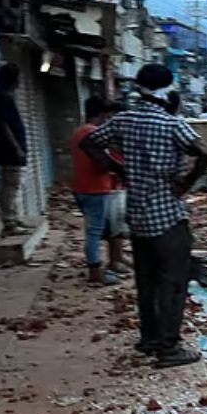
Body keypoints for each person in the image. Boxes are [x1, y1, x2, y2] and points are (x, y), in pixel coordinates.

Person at [80, 64, 207, 369]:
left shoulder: (123, 120)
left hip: (136, 214)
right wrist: (186, 182)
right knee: (173, 281)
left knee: (147, 281)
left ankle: (149, 338)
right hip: (167, 214)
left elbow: (89, 143)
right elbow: (204, 153)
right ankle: (169, 348)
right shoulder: (171, 123)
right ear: (167, 89)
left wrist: (118, 168)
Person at [69, 96, 126, 285]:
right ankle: (95, 269)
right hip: (95, 188)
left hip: (81, 187)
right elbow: (101, 162)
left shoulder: (78, 132)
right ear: (102, 115)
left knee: (98, 229)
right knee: (95, 231)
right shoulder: (94, 134)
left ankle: (104, 264)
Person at [0, 63, 30, 234]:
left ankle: (14, 217)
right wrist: (16, 147)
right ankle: (10, 221)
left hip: (9, 148)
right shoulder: (3, 98)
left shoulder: (2, 97)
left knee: (12, 184)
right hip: (10, 150)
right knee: (11, 185)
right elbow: (4, 125)